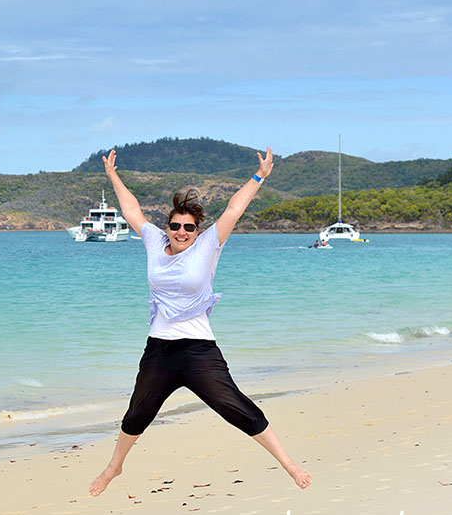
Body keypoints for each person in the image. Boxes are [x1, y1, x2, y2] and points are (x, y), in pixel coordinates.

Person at [89, 148, 312, 496]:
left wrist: (260, 176)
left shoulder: (209, 245)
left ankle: (289, 463)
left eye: (188, 228)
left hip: (198, 351)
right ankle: (114, 466)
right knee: (137, 414)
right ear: (167, 227)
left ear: (197, 231)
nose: (181, 232)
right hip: (159, 349)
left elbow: (234, 209)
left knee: (234, 406)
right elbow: (131, 210)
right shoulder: (153, 241)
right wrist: (113, 176)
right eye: (175, 226)